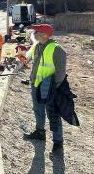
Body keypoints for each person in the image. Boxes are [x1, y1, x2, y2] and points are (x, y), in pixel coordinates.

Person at [25, 23, 67, 154]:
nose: (34, 34)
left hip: (50, 88)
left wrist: (55, 88)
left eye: (36, 32)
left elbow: (61, 72)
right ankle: (40, 132)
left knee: (53, 114)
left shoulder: (57, 49)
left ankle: (58, 144)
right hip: (36, 84)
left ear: (44, 35)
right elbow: (29, 57)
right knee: (38, 110)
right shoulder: (37, 46)